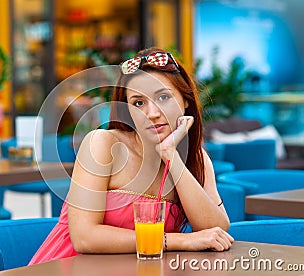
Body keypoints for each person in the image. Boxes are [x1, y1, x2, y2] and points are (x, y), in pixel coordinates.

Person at [29, 47, 233, 264]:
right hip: (70, 266)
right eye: (138, 103)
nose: (152, 114)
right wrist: (179, 241)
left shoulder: (195, 158)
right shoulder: (103, 144)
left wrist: (171, 156)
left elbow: (215, 230)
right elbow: (84, 238)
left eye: (163, 97)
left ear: (185, 101)